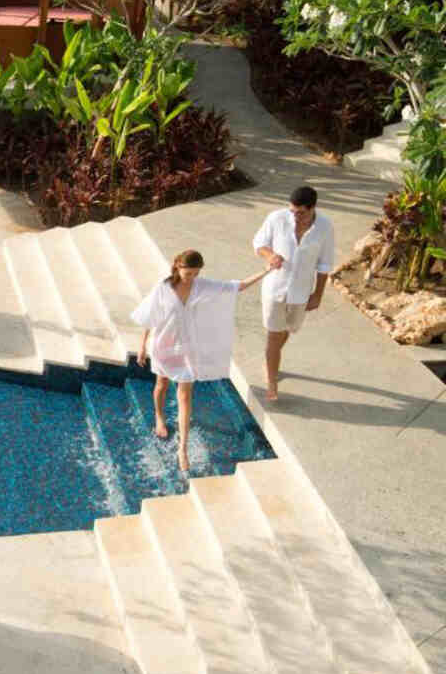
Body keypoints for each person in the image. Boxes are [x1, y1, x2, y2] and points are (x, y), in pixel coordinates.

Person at [132, 250, 269, 473]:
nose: (192, 278)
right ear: (177, 266)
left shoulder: (201, 285)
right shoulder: (163, 288)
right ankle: (159, 416)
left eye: (196, 273)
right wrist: (142, 346)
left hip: (187, 348)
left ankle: (182, 449)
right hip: (163, 347)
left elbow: (237, 286)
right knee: (161, 385)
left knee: (185, 396)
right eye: (188, 273)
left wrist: (266, 271)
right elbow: (149, 318)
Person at [252, 185, 336, 401]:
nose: (296, 217)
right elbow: (259, 243)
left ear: (312, 208)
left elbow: (325, 264)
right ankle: (271, 380)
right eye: (293, 211)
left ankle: (270, 360)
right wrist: (270, 255)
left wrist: (318, 295)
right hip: (274, 289)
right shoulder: (277, 218)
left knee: (288, 329)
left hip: (300, 292)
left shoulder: (325, 227)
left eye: (301, 212)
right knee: (274, 334)